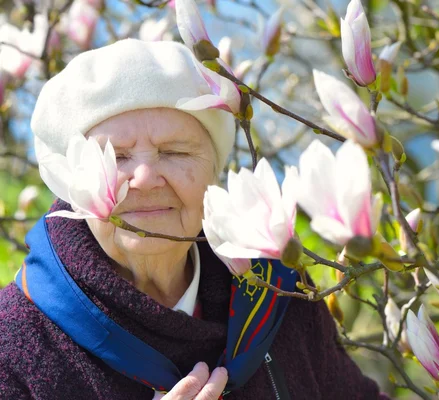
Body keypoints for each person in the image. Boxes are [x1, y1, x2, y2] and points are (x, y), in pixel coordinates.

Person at [0, 39, 389, 399]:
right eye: (115, 158)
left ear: (213, 172)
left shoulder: (279, 293)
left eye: (175, 152)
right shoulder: (14, 343)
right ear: (71, 183)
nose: (147, 178)